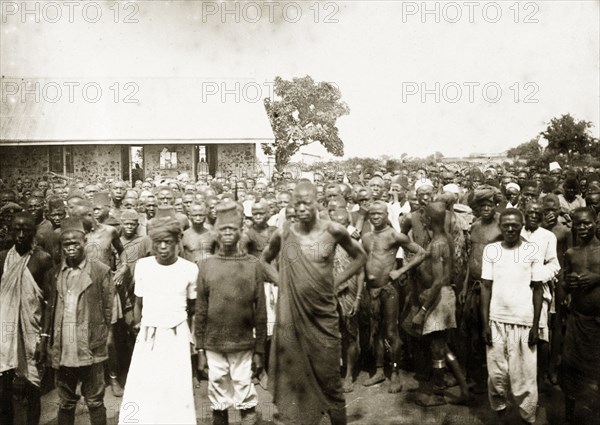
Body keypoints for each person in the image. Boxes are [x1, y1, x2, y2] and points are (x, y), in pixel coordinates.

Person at [261, 181, 367, 425]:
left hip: (323, 317)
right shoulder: (284, 232)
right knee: (295, 380)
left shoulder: (333, 231)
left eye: (306, 203)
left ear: (317, 203)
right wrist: (282, 283)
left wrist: (336, 281)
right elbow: (264, 260)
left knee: (331, 381)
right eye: (296, 203)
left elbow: (360, 257)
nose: (301, 208)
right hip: (293, 317)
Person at [118, 216, 198, 425]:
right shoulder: (144, 266)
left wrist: (191, 339)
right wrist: (138, 327)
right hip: (148, 335)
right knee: (143, 387)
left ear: (177, 242)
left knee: (175, 389)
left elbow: (194, 309)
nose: (163, 247)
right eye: (158, 242)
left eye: (168, 242)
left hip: (177, 335)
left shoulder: (189, 269)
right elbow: (139, 302)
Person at [196, 200, 267, 425]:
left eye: (232, 229)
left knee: (245, 393)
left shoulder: (253, 264)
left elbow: (261, 311)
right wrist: (200, 348)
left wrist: (260, 349)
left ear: (239, 232)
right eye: (223, 229)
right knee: (218, 397)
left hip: (243, 343)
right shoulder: (206, 266)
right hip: (214, 344)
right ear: (216, 232)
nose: (227, 233)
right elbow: (200, 310)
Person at [394, 202, 471, 406]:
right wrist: (402, 271)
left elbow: (437, 281)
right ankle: (463, 388)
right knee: (441, 345)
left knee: (438, 348)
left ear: (428, 220)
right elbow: (424, 256)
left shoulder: (438, 243)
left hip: (439, 298)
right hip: (442, 295)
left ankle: (438, 394)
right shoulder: (443, 238)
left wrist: (424, 310)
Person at [39, 217, 114, 425]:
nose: (71, 247)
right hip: (63, 350)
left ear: (84, 244)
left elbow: (108, 310)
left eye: (75, 243)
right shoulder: (54, 274)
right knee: (65, 402)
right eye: (66, 244)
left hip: (90, 348)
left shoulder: (100, 271)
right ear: (61, 247)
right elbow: (50, 309)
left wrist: (99, 338)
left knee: (95, 401)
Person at [480, 209, 544, 425]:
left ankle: (528, 418)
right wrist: (485, 324)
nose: (509, 229)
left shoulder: (532, 251)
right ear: (500, 226)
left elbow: (537, 290)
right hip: (496, 320)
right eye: (505, 225)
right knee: (496, 375)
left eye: (514, 225)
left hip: (524, 321)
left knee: (525, 376)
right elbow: (486, 288)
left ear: (521, 225)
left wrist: (536, 326)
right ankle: (500, 416)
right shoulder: (491, 251)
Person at [361, 200, 426, 393]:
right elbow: (363, 261)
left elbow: (421, 253)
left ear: (386, 214)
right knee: (375, 332)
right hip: (371, 290)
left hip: (388, 290)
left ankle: (395, 373)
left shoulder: (394, 235)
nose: (375, 217)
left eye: (379, 213)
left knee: (391, 332)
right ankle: (380, 371)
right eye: (372, 214)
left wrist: (401, 271)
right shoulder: (365, 237)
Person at [0, 212, 53, 425]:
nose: (21, 235)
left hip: (32, 330)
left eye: (26, 230)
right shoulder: (3, 258)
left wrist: (44, 338)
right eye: (17, 229)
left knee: (33, 386)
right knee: (3, 389)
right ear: (10, 230)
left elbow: (49, 302)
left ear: (34, 232)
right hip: (5, 330)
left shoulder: (42, 259)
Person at [561, 207, 600, 424]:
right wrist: (568, 284)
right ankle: (568, 417)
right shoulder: (571, 253)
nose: (583, 228)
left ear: (596, 222)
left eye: (587, 223)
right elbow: (564, 284)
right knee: (570, 368)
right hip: (577, 319)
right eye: (578, 224)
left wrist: (597, 278)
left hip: (598, 321)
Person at [330, 208, 364, 393]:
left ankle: (349, 374)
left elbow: (361, 272)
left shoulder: (354, 244)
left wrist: (358, 297)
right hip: (328, 293)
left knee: (350, 333)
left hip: (349, 292)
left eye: (343, 224)